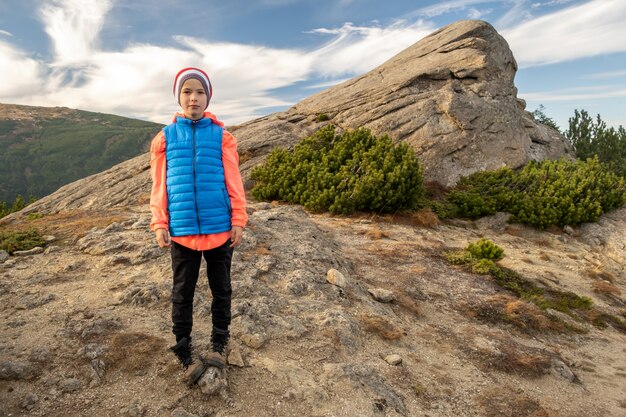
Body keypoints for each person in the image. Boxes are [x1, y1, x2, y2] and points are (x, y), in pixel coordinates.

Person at [149, 67, 247, 385]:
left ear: (208, 97)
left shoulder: (223, 137)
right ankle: (184, 351)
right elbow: (159, 186)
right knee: (182, 294)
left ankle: (219, 344)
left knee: (222, 290)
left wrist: (238, 219)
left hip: (219, 228)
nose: (194, 97)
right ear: (179, 96)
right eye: (187, 91)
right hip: (182, 231)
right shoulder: (164, 138)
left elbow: (234, 182)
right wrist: (159, 221)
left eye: (200, 92)